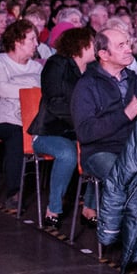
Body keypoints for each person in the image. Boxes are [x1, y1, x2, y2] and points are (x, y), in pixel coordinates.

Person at [71, 28, 137, 220]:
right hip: (100, 151)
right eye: (121, 46)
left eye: (127, 43)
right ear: (103, 54)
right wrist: (127, 113)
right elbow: (85, 132)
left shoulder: (136, 80)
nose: (128, 49)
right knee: (126, 176)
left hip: (133, 151)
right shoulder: (86, 85)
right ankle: (123, 232)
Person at [28, 27, 96, 228]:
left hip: (79, 132)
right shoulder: (56, 64)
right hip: (49, 131)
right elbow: (55, 102)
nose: (97, 47)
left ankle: (90, 207)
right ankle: (53, 208)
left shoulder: (92, 71)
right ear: (80, 45)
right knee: (67, 154)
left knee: (102, 150)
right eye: (93, 43)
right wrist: (83, 123)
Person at [0, 19, 44, 211]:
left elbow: (44, 93)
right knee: (17, 134)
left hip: (32, 121)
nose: (37, 44)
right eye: (32, 39)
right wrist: (31, 89)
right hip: (5, 119)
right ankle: (13, 193)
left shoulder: (37, 68)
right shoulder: (1, 62)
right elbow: (2, 89)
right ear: (18, 41)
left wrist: (30, 91)